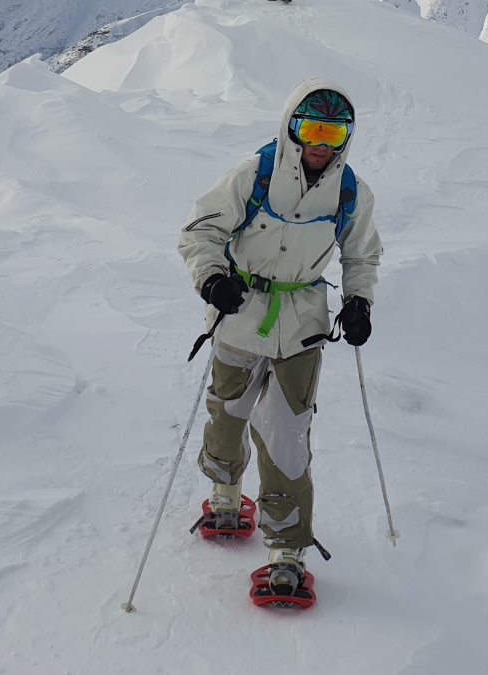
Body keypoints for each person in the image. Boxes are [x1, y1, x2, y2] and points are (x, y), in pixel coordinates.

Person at [177, 80, 382, 600]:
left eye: (333, 133)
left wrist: (359, 303)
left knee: (286, 433)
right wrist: (211, 277)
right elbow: (200, 231)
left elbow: (362, 254)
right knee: (228, 412)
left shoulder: (350, 191)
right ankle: (225, 493)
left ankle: (286, 551)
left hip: (302, 323)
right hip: (241, 312)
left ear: (346, 138)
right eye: (312, 129)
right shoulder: (255, 175)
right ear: (292, 127)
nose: (321, 143)